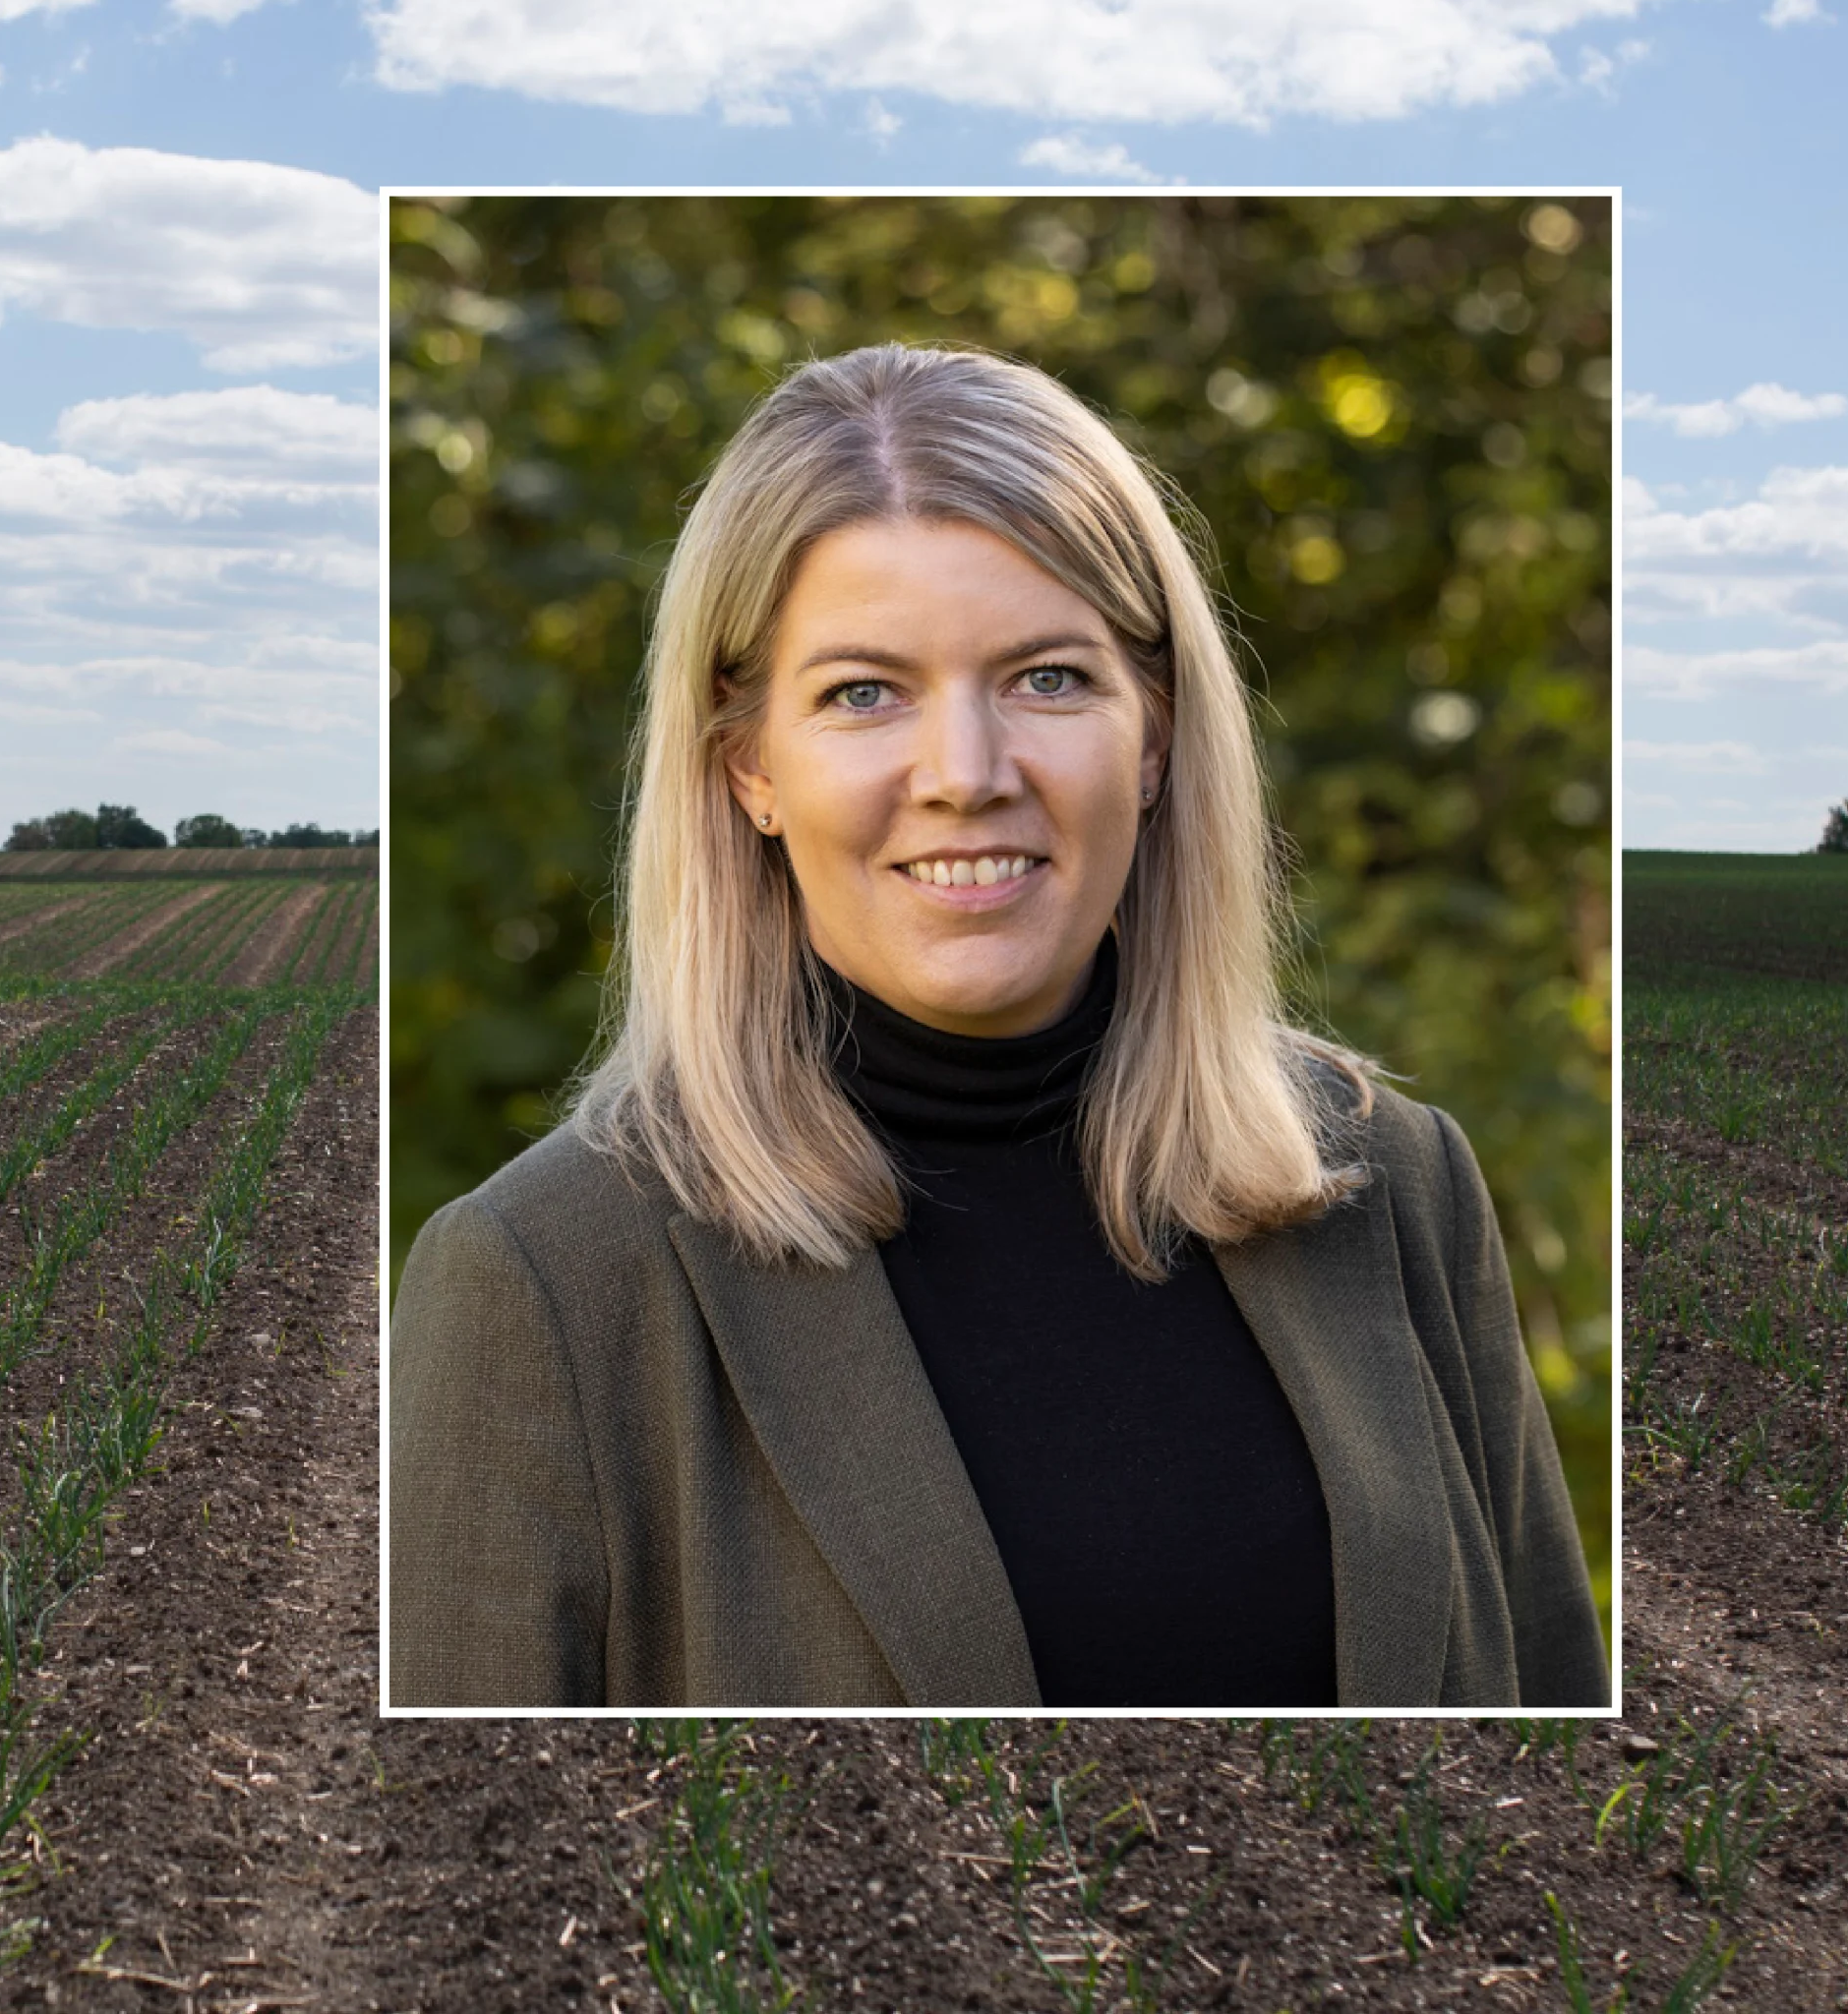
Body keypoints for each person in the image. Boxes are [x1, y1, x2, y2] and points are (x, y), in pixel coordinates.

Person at [387, 343, 1603, 1709]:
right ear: (749, 767)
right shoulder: (543, 1284)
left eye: (1048, 679)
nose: (966, 775)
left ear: (1153, 737)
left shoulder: (1397, 1190)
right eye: (863, 693)